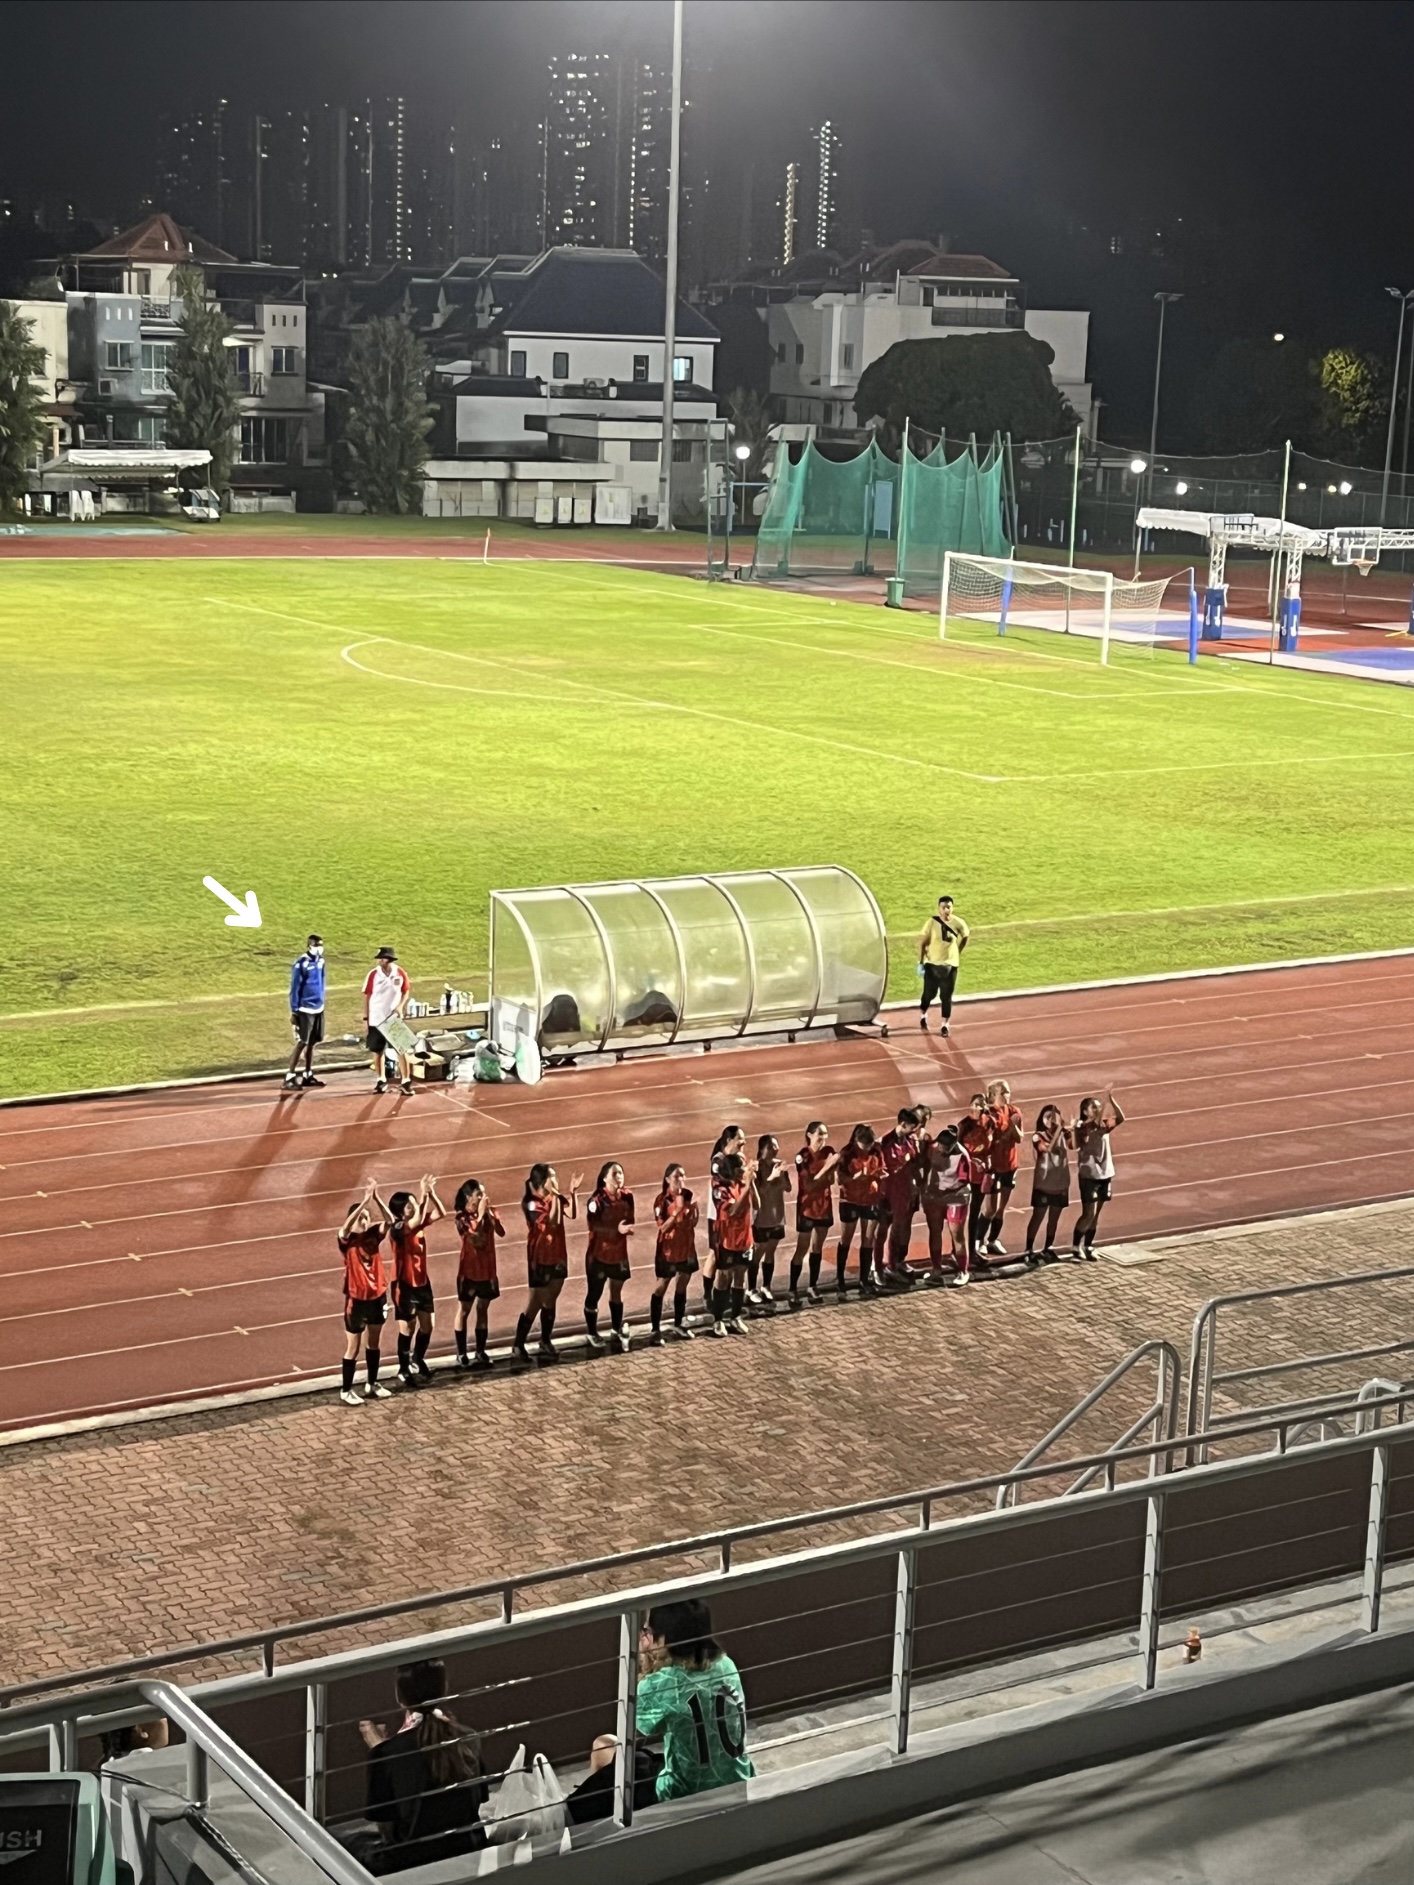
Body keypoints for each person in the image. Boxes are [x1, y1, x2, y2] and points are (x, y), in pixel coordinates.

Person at [360, 1660, 486, 1872]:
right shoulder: (469, 1737)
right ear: (443, 1689)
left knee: (340, 1844)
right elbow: (477, 1802)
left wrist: (379, 1749)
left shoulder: (386, 1753)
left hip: (411, 1861)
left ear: (400, 1697)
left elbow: (387, 1830)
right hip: (467, 1848)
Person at [634, 1600, 753, 1803]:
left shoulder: (662, 1683)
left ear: (664, 1639)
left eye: (648, 1631)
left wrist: (645, 1661)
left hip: (683, 1794)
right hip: (738, 1783)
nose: (647, 1636)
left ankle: (572, 1821)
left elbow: (633, 1735)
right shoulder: (726, 1665)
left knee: (605, 1749)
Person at [515, 1163, 582, 1364]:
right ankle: (519, 1344)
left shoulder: (554, 1198)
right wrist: (555, 1198)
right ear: (542, 1181)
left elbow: (573, 1214)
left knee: (550, 1300)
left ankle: (544, 1340)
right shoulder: (532, 1203)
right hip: (540, 1257)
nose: (555, 1180)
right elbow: (551, 1221)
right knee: (537, 1301)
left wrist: (572, 1193)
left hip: (558, 1255)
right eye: (551, 1177)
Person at [339, 1182, 393, 1405]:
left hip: (377, 1296)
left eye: (367, 1217)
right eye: (361, 1217)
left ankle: (372, 1383)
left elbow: (389, 1221)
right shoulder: (347, 1242)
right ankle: (346, 1389)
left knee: (374, 1342)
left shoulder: (374, 1236)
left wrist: (376, 1199)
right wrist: (361, 1204)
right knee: (353, 1346)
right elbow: (343, 1229)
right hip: (356, 1299)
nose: (365, 1220)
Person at [452, 1178, 505, 1369]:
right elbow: (475, 1238)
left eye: (483, 1193)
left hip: (488, 1271)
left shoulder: (489, 1212)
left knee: (483, 1309)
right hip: (469, 1272)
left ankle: (480, 1351)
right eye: (479, 1194)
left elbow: (501, 1232)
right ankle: (461, 1353)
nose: (483, 1197)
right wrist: (482, 1214)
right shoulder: (461, 1218)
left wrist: (491, 1216)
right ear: (469, 1196)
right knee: (464, 1310)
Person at [584, 1161, 635, 1354]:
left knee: (616, 1293)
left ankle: (615, 1329)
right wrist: (617, 1229)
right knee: (594, 1295)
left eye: (621, 1173)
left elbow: (630, 1219)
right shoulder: (596, 1201)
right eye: (614, 1174)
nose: (619, 1177)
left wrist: (625, 1228)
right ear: (604, 1178)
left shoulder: (628, 1197)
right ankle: (592, 1332)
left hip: (619, 1254)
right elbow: (593, 1227)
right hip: (598, 1255)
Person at [788, 1122, 840, 1309]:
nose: (823, 1138)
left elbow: (831, 1180)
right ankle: (793, 1288)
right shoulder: (803, 1156)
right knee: (802, 1248)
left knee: (817, 1248)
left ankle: (812, 1285)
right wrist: (827, 1168)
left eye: (825, 1134)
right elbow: (808, 1185)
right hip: (807, 1209)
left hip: (824, 1206)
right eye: (820, 1134)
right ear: (809, 1134)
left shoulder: (828, 1152)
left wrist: (827, 1171)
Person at [1072, 1091, 1126, 1260]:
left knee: (1096, 1215)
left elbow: (1121, 1118)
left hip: (1105, 1173)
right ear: (1085, 1110)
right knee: (1089, 1212)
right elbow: (1079, 1141)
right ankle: (1076, 1246)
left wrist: (1111, 1100)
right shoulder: (1082, 1128)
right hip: (1089, 1174)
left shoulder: (1103, 1126)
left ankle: (1088, 1246)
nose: (1097, 1109)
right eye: (1093, 1107)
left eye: (1098, 1106)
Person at [920, 1125, 976, 1284]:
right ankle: (936, 1269)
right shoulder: (933, 1149)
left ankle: (963, 1271)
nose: (941, 1151)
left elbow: (963, 1181)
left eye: (945, 1148)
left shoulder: (962, 1155)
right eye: (940, 1147)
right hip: (937, 1195)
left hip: (956, 1196)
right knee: (935, 1231)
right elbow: (924, 1166)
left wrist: (942, 1192)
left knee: (957, 1234)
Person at [650, 1163, 699, 1343]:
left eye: (683, 1176)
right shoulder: (662, 1200)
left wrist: (694, 1211)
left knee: (682, 1284)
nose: (681, 1180)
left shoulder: (687, 1195)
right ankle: (655, 1330)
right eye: (677, 1176)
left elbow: (692, 1222)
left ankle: (678, 1324)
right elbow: (662, 1227)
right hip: (668, 1250)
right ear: (668, 1179)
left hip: (686, 1247)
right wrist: (676, 1212)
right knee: (661, 1286)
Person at [711, 1151, 757, 1337]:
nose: (744, 1170)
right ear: (733, 1170)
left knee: (740, 1278)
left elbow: (757, 1205)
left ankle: (735, 1317)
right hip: (728, 1241)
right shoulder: (720, 1189)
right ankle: (718, 1319)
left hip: (746, 1240)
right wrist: (746, 1189)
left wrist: (751, 1184)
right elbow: (732, 1212)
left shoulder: (743, 1184)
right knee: (723, 1279)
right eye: (741, 1167)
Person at [835, 1123, 884, 1298]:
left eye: (870, 1145)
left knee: (868, 1239)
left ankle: (864, 1280)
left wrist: (878, 1174)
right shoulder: (847, 1153)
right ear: (857, 1141)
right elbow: (840, 1179)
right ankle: (839, 1278)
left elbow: (881, 1168)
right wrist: (856, 1177)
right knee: (846, 1238)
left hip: (870, 1198)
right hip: (850, 1199)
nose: (868, 1149)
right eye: (865, 1146)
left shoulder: (876, 1150)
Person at [877, 1108, 922, 1286]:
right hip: (887, 1194)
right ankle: (878, 1268)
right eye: (912, 1127)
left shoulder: (911, 1140)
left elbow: (914, 1164)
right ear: (903, 1124)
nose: (915, 1131)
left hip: (904, 1193)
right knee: (882, 1232)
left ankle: (894, 1265)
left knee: (898, 1230)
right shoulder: (885, 1142)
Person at [705, 1125, 746, 1314]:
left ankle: (725, 1295)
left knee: (726, 1260)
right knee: (716, 1254)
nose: (743, 1142)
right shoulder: (719, 1161)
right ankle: (709, 1295)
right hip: (718, 1214)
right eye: (740, 1139)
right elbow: (722, 1183)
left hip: (731, 1217)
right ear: (729, 1140)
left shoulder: (734, 1159)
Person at [982, 1079, 1025, 1258]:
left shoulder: (1014, 1112)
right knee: (990, 1208)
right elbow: (990, 1140)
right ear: (993, 1095)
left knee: (1001, 1208)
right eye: (1003, 1092)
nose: (1008, 1095)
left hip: (1010, 1164)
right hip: (993, 1166)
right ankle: (979, 1240)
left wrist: (1013, 1126)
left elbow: (1020, 1138)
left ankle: (992, 1240)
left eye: (1008, 1091)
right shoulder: (988, 1114)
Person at [747, 1135, 790, 1310]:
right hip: (762, 1219)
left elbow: (788, 1188)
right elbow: (759, 1194)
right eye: (771, 1147)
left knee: (771, 1252)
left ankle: (766, 1286)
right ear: (763, 1149)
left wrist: (782, 1175)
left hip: (777, 1216)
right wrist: (772, 1177)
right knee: (758, 1253)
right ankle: (750, 1288)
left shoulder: (778, 1165)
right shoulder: (756, 1169)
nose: (775, 1149)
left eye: (776, 1146)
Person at [1025, 1106, 1072, 1264]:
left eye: (1055, 1116)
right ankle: (1029, 1249)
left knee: (1054, 1218)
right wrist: (1059, 1130)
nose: (1051, 1120)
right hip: (1044, 1183)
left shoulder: (1064, 1134)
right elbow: (1047, 1149)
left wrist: (1074, 1128)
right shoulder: (1038, 1136)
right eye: (1048, 1116)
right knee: (1038, 1216)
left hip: (1060, 1182)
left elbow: (1074, 1145)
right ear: (1042, 1119)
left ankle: (1048, 1247)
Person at [364, 946, 413, 1096]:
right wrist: (366, 1018)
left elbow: (406, 990)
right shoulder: (373, 975)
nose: (379, 960)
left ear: (389, 959)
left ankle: (405, 1081)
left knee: (401, 1049)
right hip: (376, 1018)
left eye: (382, 958)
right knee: (378, 1051)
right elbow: (367, 996)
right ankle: (381, 1080)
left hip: (393, 1019)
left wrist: (400, 1006)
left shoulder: (400, 972)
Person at [918, 895, 969, 1036]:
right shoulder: (931, 922)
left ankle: (945, 1025)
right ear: (939, 908)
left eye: (949, 907)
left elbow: (965, 936)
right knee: (929, 994)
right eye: (943, 907)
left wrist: (958, 951)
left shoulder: (958, 923)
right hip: (932, 964)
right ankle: (923, 1014)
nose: (946, 910)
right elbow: (923, 942)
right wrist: (921, 962)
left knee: (946, 996)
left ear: (952, 908)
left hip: (950, 965)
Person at [957, 1094, 994, 1269]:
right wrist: (971, 1161)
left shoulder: (989, 1122)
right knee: (961, 1214)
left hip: (982, 1174)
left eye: (983, 1104)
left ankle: (972, 1251)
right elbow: (956, 1150)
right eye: (977, 1104)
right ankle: (959, 1250)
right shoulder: (964, 1125)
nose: (981, 1107)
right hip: (967, 1174)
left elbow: (991, 1144)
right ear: (971, 1105)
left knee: (975, 1212)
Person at [285, 934, 327, 1090]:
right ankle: (289, 1076)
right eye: (316, 946)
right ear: (309, 946)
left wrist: (322, 1000)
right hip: (305, 1008)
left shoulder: (321, 961)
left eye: (321, 945)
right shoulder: (300, 964)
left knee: (313, 1042)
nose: (319, 949)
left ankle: (308, 1074)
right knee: (302, 1041)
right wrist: (294, 1010)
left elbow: (322, 982)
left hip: (318, 1007)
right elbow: (295, 988)